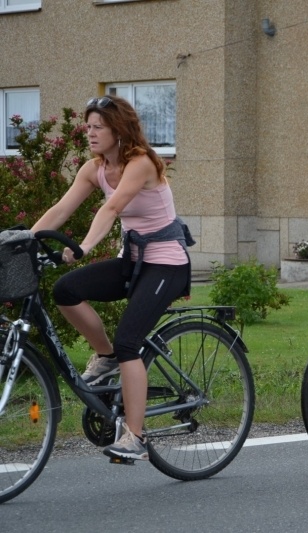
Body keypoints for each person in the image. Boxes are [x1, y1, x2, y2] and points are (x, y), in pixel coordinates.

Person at [31, 95, 192, 462]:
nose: (89, 133)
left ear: (118, 130)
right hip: (133, 260)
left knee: (128, 343)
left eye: (98, 127)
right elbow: (61, 208)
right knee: (66, 289)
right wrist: (22, 241)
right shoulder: (94, 168)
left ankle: (135, 436)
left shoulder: (142, 164)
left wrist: (85, 246)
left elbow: (112, 208)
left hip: (166, 263)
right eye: (87, 126)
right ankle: (104, 359)